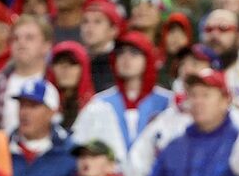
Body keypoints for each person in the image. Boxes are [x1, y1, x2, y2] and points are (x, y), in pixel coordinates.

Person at [71, 31, 173, 168]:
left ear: (147, 59)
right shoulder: (99, 103)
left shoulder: (167, 102)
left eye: (134, 53)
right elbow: (79, 143)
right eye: (121, 53)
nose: (126, 58)